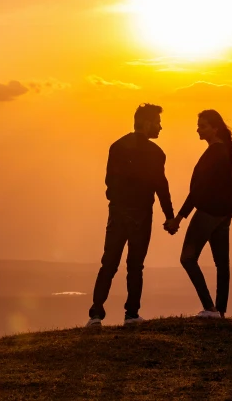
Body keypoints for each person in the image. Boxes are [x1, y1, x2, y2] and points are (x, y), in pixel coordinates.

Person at [87, 103, 175, 326]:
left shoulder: (117, 146)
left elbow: (109, 182)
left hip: (117, 213)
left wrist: (117, 204)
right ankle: (131, 314)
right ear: (147, 123)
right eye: (157, 122)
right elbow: (161, 186)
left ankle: (96, 313)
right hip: (142, 215)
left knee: (109, 263)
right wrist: (169, 216)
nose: (160, 127)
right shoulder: (156, 154)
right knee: (135, 266)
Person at [164, 109, 232, 319]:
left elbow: (198, 190)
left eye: (203, 125)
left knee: (187, 258)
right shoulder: (223, 150)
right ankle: (220, 310)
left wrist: (178, 218)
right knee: (222, 263)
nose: (198, 129)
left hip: (209, 212)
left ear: (215, 128)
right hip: (224, 213)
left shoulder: (214, 153)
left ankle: (210, 307)